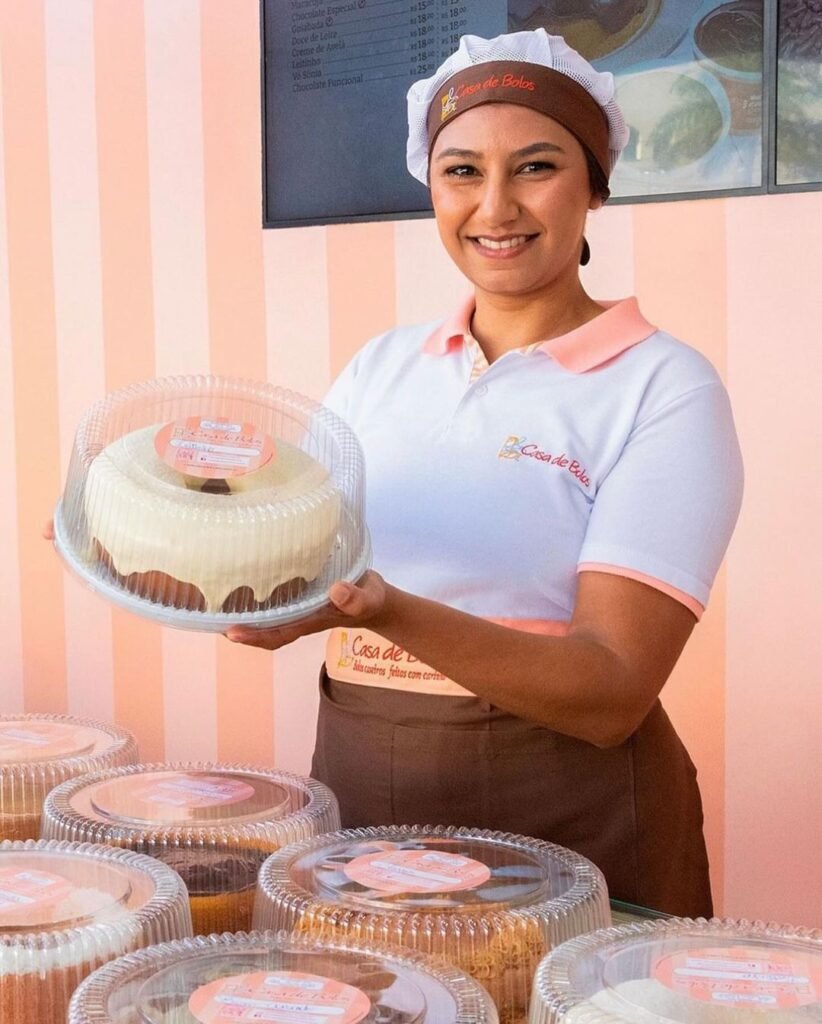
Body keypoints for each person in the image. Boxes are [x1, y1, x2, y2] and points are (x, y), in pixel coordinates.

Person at [227, 29, 744, 917]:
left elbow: (613, 686)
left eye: (535, 167)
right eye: (461, 171)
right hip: (361, 790)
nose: (494, 207)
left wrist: (388, 608)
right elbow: (297, 558)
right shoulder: (381, 368)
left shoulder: (664, 385)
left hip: (569, 811)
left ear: (594, 187)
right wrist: (179, 551)